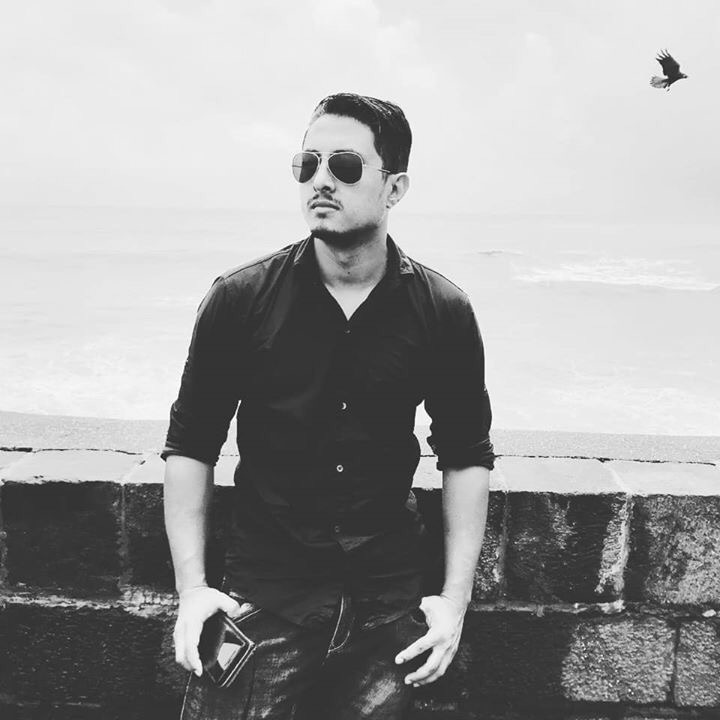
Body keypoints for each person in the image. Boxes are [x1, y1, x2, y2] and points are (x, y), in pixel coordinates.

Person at [162, 92, 494, 720]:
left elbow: (466, 454)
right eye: (307, 163)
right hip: (266, 597)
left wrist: (454, 601)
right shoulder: (240, 300)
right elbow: (191, 444)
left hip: (387, 609)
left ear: (394, 188)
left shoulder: (442, 311)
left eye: (344, 165)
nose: (320, 179)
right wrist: (193, 590)